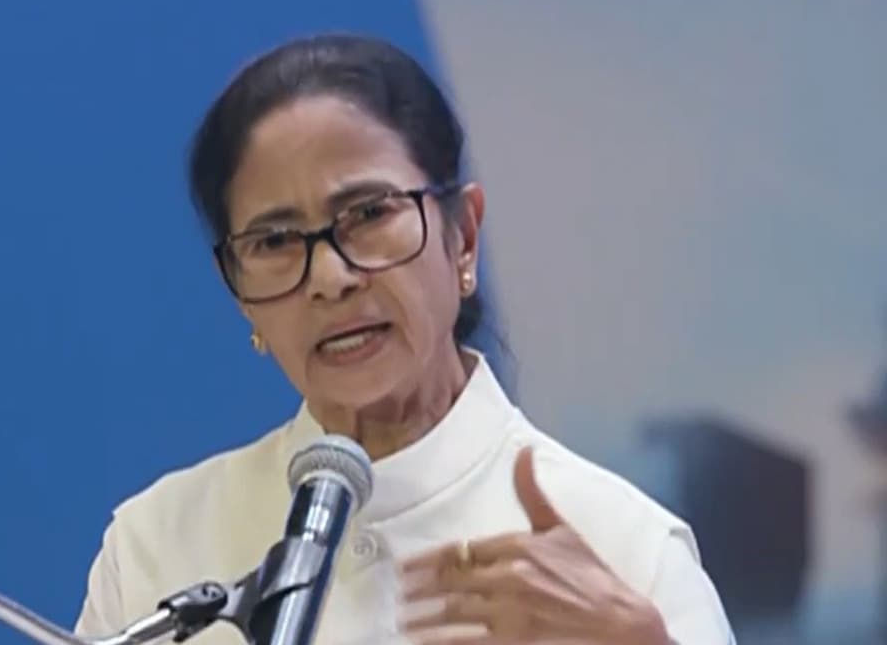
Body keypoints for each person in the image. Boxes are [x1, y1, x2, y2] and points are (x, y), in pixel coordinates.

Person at [74, 34, 735, 644]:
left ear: (463, 238)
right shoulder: (156, 546)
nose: (330, 278)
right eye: (274, 242)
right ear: (239, 291)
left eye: (368, 214)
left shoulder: (623, 552)